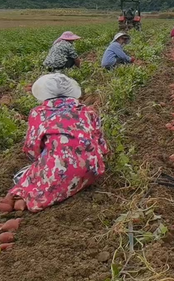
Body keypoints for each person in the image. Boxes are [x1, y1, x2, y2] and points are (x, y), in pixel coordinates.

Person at [10, 74, 108, 212]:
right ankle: (79, 181)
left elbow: (32, 149)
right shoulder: (88, 111)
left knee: (21, 178)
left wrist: (40, 162)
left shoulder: (39, 113)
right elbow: (102, 145)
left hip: (60, 172)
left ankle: (57, 187)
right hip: (93, 169)